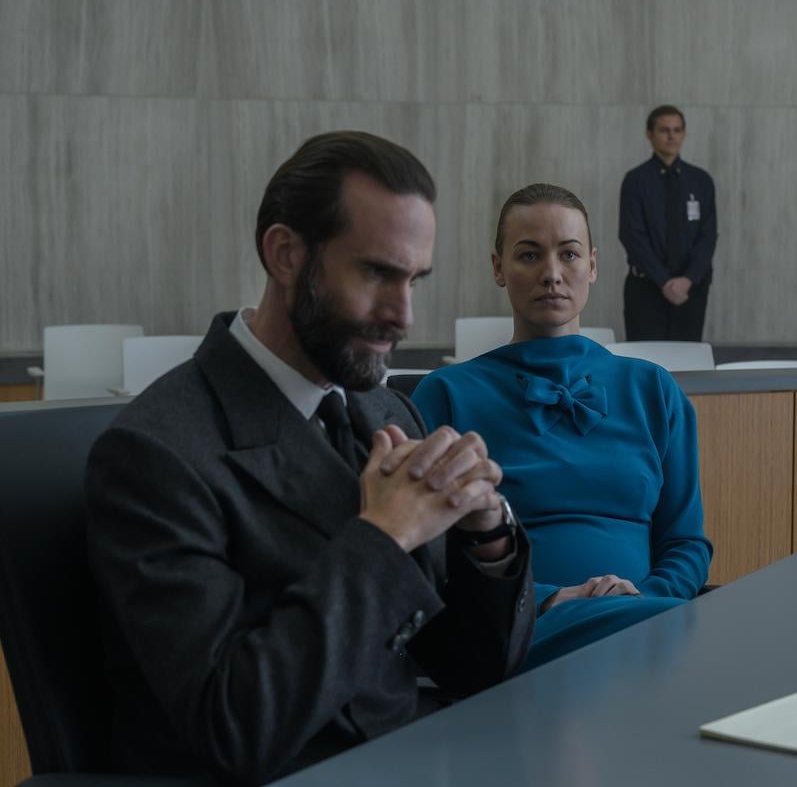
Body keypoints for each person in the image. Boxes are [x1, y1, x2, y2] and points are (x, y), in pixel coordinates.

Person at [85, 131, 534, 785]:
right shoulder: (153, 454)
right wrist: (386, 536)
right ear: (285, 254)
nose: (403, 315)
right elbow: (233, 727)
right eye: (376, 273)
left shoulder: (388, 412)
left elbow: (475, 668)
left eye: (414, 280)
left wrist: (486, 534)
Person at [412, 183, 711, 671]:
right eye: (529, 255)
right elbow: (430, 554)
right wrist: (548, 598)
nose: (552, 274)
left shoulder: (654, 389)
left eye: (569, 254)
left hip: (645, 623)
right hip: (515, 629)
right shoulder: (446, 393)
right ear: (498, 268)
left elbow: (685, 543)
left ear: (592, 265)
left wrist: (643, 598)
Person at [618, 104, 718, 341]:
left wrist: (687, 280)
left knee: (687, 358)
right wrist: (664, 281)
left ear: (684, 134)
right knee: (645, 357)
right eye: (664, 130)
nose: (671, 136)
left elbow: (708, 236)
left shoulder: (701, 181)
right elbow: (632, 236)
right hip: (647, 287)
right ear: (649, 134)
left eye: (677, 130)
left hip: (690, 289)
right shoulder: (635, 181)